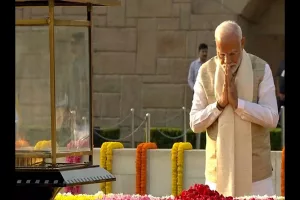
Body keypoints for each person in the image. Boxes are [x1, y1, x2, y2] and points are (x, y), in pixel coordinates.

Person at [189, 21, 279, 197]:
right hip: (217, 175)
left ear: (242, 43)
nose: (227, 61)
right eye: (222, 54)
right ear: (216, 46)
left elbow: (272, 118)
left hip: (257, 178)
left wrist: (239, 105)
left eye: (233, 54)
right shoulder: (205, 72)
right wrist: (219, 105)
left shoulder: (261, 68)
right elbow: (195, 123)